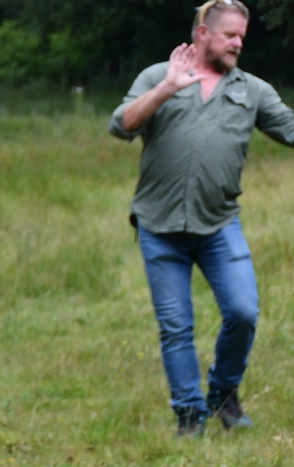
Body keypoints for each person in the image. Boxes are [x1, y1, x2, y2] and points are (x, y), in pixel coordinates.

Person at [111, 0, 294, 436]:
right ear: (203, 34)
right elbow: (122, 125)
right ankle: (189, 415)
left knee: (243, 311)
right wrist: (166, 89)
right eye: (230, 35)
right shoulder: (159, 76)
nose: (238, 44)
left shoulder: (253, 91)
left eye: (241, 37)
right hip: (160, 227)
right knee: (176, 326)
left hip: (219, 224)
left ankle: (224, 393)